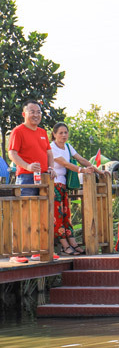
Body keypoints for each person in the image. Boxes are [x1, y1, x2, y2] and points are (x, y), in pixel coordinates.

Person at [50, 122, 100, 255]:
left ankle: (72, 243)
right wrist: (82, 170)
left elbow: (81, 159)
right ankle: (64, 245)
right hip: (53, 184)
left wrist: (98, 171)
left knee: (66, 215)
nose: (63, 135)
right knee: (57, 215)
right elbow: (64, 163)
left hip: (64, 185)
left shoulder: (67, 146)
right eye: (60, 133)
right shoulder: (51, 147)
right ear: (54, 134)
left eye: (66, 132)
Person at [8, 100, 55, 197]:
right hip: (26, 177)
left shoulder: (43, 132)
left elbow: (49, 153)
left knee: (45, 209)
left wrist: (51, 168)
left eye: (38, 112)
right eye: (32, 112)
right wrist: (27, 166)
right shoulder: (18, 131)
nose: (36, 115)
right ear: (24, 114)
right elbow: (12, 154)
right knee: (25, 209)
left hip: (44, 177)